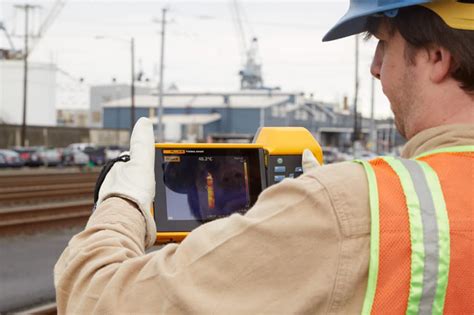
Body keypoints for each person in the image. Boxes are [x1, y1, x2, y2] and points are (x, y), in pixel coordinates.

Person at [55, 0, 473, 313]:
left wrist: (121, 205)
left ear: (436, 56)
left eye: (383, 43)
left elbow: (94, 298)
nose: (376, 67)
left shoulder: (352, 209)